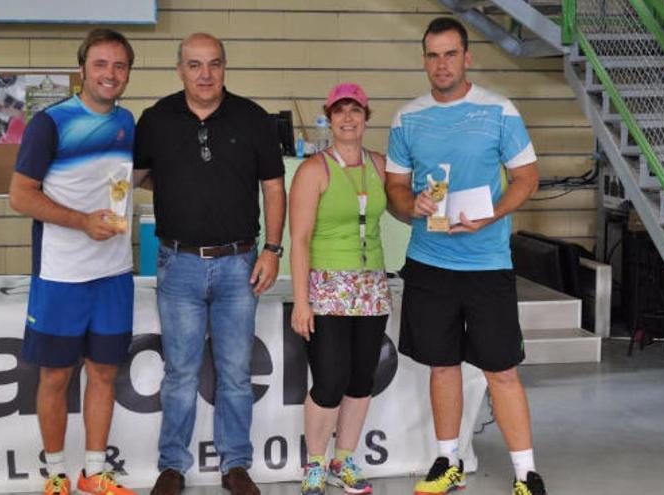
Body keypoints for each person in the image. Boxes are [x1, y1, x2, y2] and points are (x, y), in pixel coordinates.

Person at [385, 17, 547, 495]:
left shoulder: (499, 111)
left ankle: (525, 473)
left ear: (467, 57)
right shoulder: (407, 118)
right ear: (424, 60)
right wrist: (407, 204)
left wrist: (492, 214)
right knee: (442, 365)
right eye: (433, 55)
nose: (441, 64)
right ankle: (447, 460)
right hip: (430, 262)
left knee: (502, 369)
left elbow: (528, 178)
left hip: (487, 264)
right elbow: (395, 187)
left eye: (450, 54)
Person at [133, 32, 286, 495]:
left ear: (224, 67)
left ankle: (236, 465)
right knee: (179, 372)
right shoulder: (156, 120)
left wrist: (272, 250)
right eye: (195, 65)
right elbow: (131, 178)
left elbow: (274, 189)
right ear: (179, 69)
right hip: (177, 265)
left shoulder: (254, 119)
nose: (205, 74)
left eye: (214, 64)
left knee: (236, 372)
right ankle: (172, 466)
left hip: (240, 265)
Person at [8, 29, 138, 495]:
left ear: (128, 74)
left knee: (104, 373)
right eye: (101, 64)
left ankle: (95, 473)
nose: (110, 73)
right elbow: (20, 196)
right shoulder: (50, 123)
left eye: (120, 66)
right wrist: (82, 221)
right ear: (82, 68)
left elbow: (127, 178)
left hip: (114, 272)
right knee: (56, 376)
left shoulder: (128, 121)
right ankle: (56, 474)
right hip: (61, 274)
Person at [289, 83, 391, 495]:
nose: (348, 119)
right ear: (328, 118)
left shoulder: (380, 166)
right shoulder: (314, 170)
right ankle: (314, 463)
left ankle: (344, 460)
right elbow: (299, 239)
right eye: (339, 111)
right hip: (328, 286)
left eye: (355, 111)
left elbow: (402, 207)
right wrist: (301, 301)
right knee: (329, 381)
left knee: (361, 380)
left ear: (367, 116)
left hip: (371, 286)